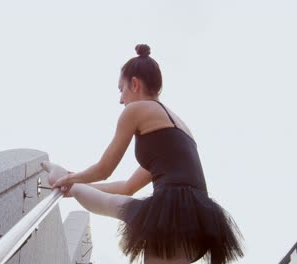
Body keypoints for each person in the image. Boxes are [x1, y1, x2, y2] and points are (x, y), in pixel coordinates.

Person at [43, 44, 244, 264]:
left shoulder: (136, 111)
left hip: (174, 217)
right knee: (111, 203)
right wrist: (76, 186)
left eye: (121, 89)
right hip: (197, 219)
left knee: (109, 203)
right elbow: (128, 187)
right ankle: (66, 180)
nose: (121, 99)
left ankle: (60, 175)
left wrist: (71, 178)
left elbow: (104, 169)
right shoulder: (174, 127)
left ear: (135, 84)